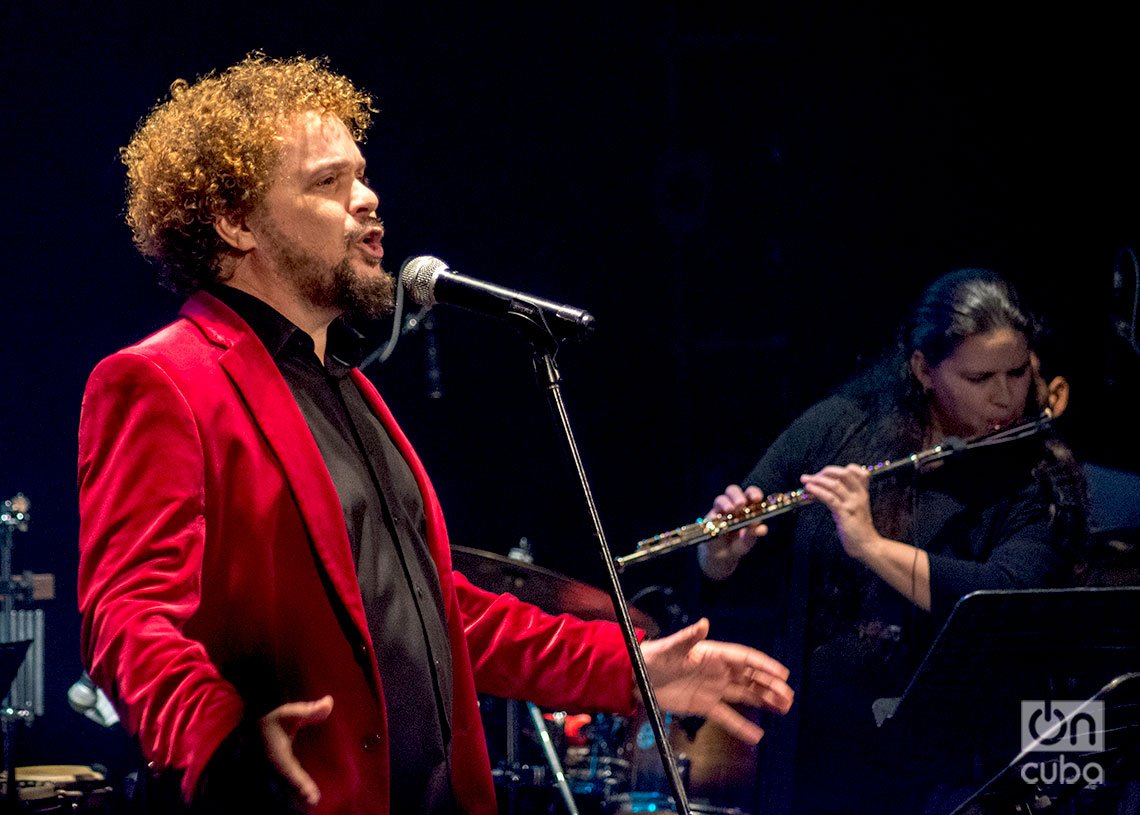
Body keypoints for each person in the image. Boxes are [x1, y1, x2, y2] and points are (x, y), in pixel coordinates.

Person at [76, 54, 794, 815]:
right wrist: (217, 737)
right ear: (234, 221)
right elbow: (128, 616)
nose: (367, 198)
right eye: (328, 183)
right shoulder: (163, 380)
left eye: (362, 173)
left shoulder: (346, 386)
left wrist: (631, 668)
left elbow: (443, 613)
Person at [698, 268, 1087, 814]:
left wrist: (871, 546)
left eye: (1018, 373)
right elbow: (741, 557)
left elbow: (1006, 599)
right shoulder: (841, 429)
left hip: (953, 774)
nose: (1006, 397)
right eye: (980, 379)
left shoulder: (1040, 477)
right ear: (924, 370)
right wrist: (719, 556)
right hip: (816, 762)